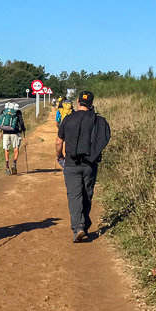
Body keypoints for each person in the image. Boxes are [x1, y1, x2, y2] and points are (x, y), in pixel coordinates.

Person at [55, 90, 111, 243]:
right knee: (87, 194)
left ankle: (78, 228)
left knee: (74, 196)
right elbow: (104, 137)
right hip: (90, 165)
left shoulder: (68, 119)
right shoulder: (97, 120)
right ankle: (84, 224)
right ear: (91, 104)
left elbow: (59, 142)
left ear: (78, 102)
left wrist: (59, 156)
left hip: (72, 164)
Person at [0, 101, 26, 175]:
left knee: (6, 149)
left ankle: (7, 167)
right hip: (15, 133)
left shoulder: (4, 111)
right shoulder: (17, 112)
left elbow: (2, 122)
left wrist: (1, 133)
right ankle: (14, 163)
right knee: (16, 148)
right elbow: (21, 122)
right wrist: (23, 130)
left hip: (5, 133)